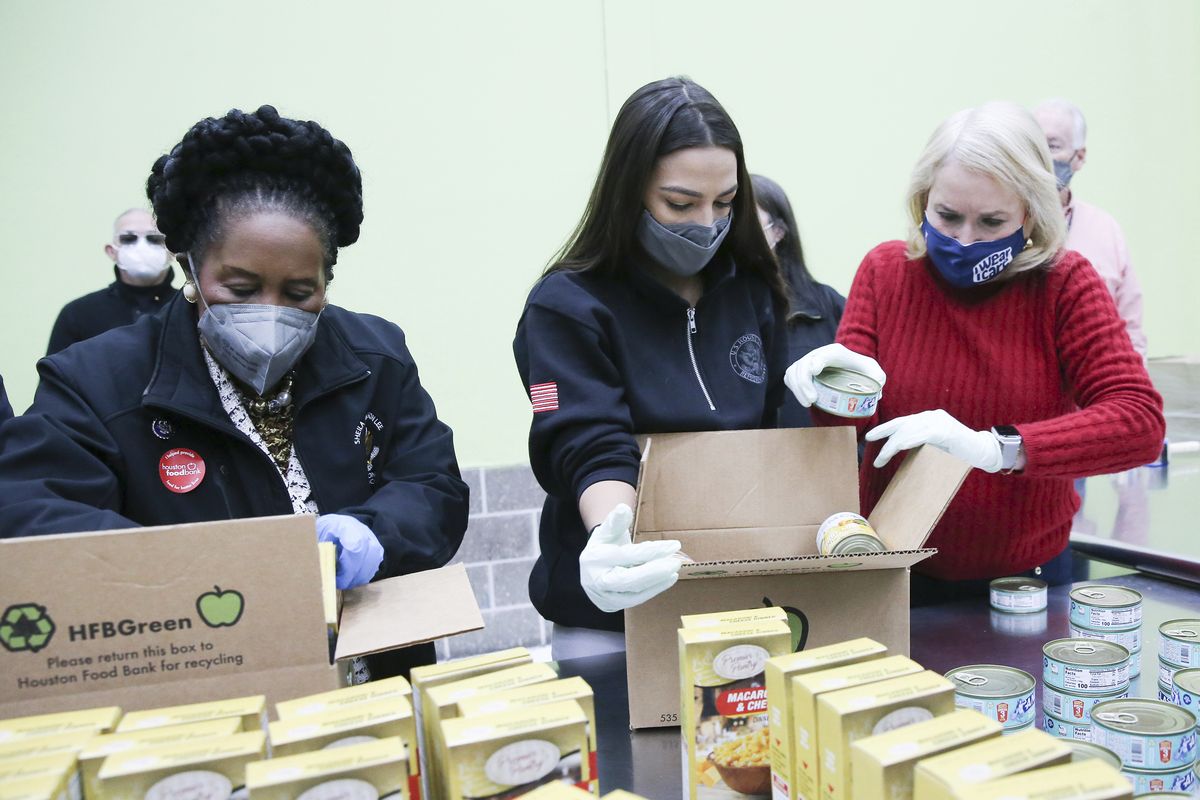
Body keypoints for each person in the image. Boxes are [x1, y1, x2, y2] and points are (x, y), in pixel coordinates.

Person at [0, 105, 469, 678]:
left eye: (300, 291)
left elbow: (434, 486)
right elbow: (29, 513)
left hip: (374, 680)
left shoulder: (375, 355)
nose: (269, 314)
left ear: (328, 279)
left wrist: (375, 531)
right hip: (202, 685)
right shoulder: (98, 381)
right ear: (191, 268)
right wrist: (207, 571)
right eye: (240, 288)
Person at [785, 102, 1164, 604]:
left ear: (1030, 211)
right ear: (923, 200)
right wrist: (826, 388)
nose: (965, 239)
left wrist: (995, 449)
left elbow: (1138, 424)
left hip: (1026, 581)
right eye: (947, 216)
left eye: (991, 221)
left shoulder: (1064, 284)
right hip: (894, 569)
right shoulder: (885, 273)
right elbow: (850, 429)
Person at [513, 77, 789, 660]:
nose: (707, 223)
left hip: (736, 600)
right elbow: (587, 440)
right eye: (681, 204)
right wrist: (610, 540)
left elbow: (772, 437)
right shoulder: (566, 307)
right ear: (628, 190)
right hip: (610, 619)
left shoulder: (751, 291)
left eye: (726, 202)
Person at [1034, 98, 1147, 358]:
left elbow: (1130, 330)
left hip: (1091, 392)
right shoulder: (1000, 224)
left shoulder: (1105, 230)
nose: (1040, 158)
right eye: (1033, 146)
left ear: (1079, 157)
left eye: (1052, 145)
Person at [752, 174, 845, 427]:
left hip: (823, 460)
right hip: (741, 460)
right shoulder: (708, 310)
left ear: (778, 232)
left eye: (749, 222)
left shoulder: (829, 307)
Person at [47, 208, 177, 355]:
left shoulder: (190, 309)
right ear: (111, 251)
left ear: (172, 251)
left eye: (154, 239)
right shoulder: (78, 313)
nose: (142, 247)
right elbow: (54, 376)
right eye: (128, 239)